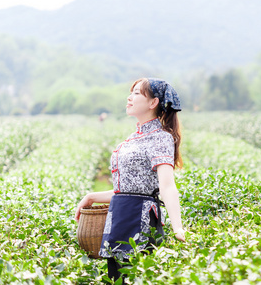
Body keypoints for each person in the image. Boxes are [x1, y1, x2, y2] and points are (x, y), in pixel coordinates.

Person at [75, 78, 185, 283]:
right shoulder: (133, 137)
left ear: (153, 103)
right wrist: (91, 197)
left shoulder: (160, 137)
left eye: (136, 93)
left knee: (136, 276)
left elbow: (167, 185)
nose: (129, 97)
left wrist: (177, 226)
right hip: (119, 217)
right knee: (116, 278)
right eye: (131, 92)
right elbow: (127, 190)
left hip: (140, 219)